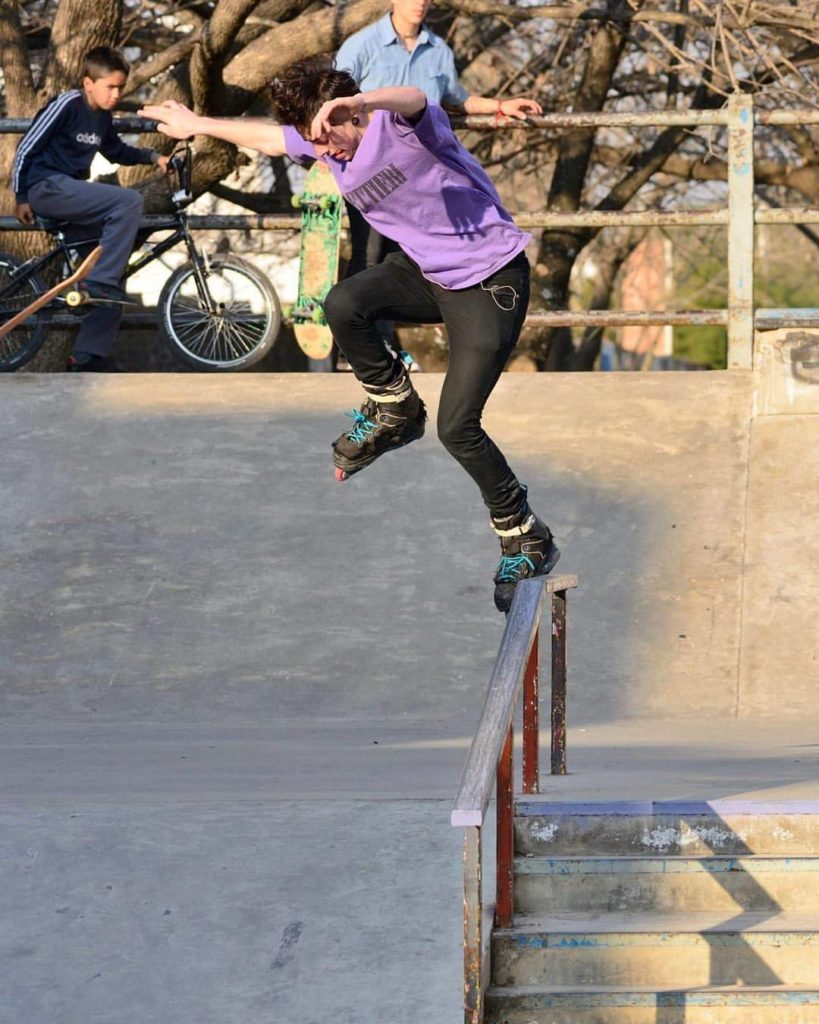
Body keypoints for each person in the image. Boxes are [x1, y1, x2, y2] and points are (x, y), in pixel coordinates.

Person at [139, 58, 559, 613]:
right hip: (427, 272)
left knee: (458, 426)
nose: (326, 151)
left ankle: (524, 532)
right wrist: (199, 123)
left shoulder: (400, 123)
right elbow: (268, 139)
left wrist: (362, 104)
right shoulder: (321, 141)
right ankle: (395, 408)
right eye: (315, 141)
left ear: (349, 114)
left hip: (489, 279)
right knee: (343, 302)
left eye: (329, 137)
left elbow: (412, 96)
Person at [335, 0, 542, 358]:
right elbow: (331, 98)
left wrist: (499, 106)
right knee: (369, 257)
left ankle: (404, 344)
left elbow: (457, 99)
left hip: (425, 180)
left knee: (414, 260)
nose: (420, 3)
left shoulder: (439, 51)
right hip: (376, 175)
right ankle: (369, 348)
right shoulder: (362, 45)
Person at [13, 46, 169, 371]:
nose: (116, 94)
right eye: (110, 87)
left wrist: (154, 158)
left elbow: (116, 151)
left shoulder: (103, 117)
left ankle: (87, 357)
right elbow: (27, 145)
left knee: (112, 276)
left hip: (71, 195)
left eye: (121, 88)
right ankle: (98, 282)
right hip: (47, 187)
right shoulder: (68, 104)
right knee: (129, 201)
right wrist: (20, 195)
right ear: (88, 84)